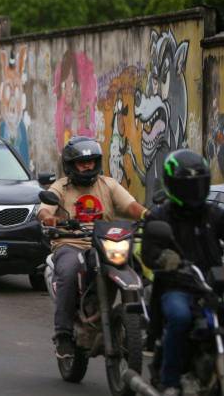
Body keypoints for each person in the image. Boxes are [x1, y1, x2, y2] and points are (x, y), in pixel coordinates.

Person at [36, 136, 146, 359]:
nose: (87, 166)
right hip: (71, 243)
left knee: (139, 267)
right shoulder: (61, 187)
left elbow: (131, 207)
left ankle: (141, 324)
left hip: (105, 243)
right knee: (67, 272)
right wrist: (49, 218)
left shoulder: (108, 185)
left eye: (91, 161)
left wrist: (149, 216)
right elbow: (45, 209)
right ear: (70, 165)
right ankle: (63, 335)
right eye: (81, 162)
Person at [141, 149, 224, 395]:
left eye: (198, 184)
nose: (194, 191)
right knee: (180, 317)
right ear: (174, 186)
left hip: (214, 285)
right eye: (187, 186)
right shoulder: (160, 217)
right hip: (177, 285)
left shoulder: (215, 215)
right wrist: (164, 258)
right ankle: (170, 381)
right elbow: (149, 252)